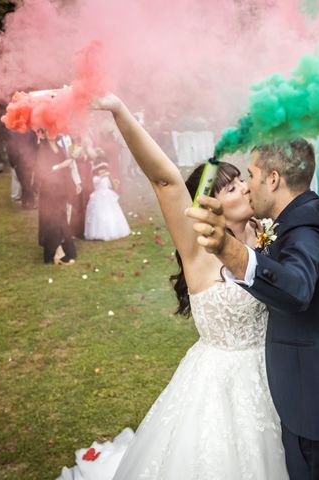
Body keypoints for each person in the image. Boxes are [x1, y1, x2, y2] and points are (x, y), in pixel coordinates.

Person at [57, 93, 297, 479]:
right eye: (231, 187)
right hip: (218, 385)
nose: (244, 189)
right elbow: (165, 180)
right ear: (208, 205)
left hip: (276, 374)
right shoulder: (198, 251)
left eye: (241, 181)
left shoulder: (265, 233)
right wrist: (119, 109)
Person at [186, 139, 319, 480]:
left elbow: (296, 288)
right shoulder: (306, 214)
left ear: (273, 179)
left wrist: (227, 249)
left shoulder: (308, 227)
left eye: (250, 175)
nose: (247, 187)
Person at [34, 130, 77, 265]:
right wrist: (61, 165)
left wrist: (70, 161)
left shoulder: (60, 147)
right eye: (48, 131)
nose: (51, 133)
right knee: (52, 220)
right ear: (44, 134)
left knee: (61, 218)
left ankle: (64, 250)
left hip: (60, 190)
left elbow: (65, 169)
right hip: (49, 191)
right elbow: (42, 170)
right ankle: (56, 253)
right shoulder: (42, 149)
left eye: (52, 129)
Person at [84, 162, 131, 241]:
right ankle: (99, 233)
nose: (103, 171)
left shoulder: (107, 178)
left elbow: (114, 187)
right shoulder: (95, 178)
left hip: (108, 197)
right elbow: (99, 180)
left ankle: (113, 230)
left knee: (110, 212)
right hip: (98, 198)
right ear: (96, 171)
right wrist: (106, 175)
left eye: (104, 169)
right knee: (100, 214)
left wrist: (113, 180)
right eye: (100, 169)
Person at [6, 130, 38, 209]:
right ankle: (30, 203)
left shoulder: (29, 132)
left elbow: (34, 146)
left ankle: (26, 203)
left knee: (25, 183)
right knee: (25, 183)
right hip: (22, 162)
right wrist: (13, 163)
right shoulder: (13, 133)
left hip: (26, 161)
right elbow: (10, 148)